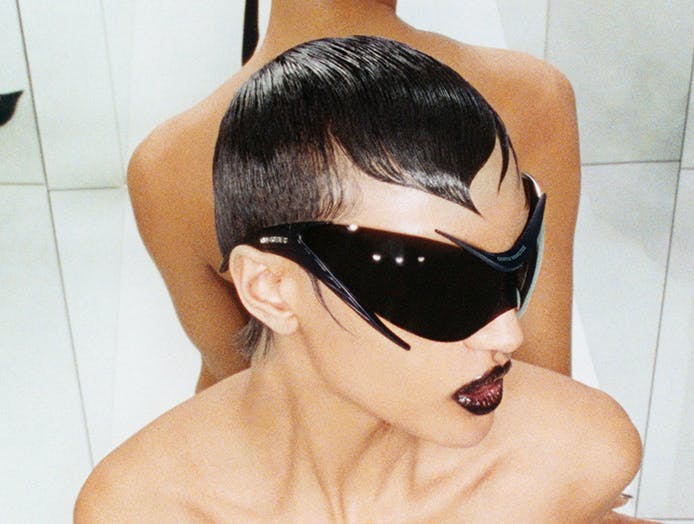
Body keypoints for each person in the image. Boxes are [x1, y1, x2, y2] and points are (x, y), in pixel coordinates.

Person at [76, 36, 640, 522]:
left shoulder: (577, 458)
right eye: (440, 286)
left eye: (517, 262)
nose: (508, 333)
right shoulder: (142, 509)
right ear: (270, 288)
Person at [128, 0, 579, 391]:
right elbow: (545, 383)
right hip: (483, 450)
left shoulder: (163, 166)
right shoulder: (529, 96)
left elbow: (241, 391)